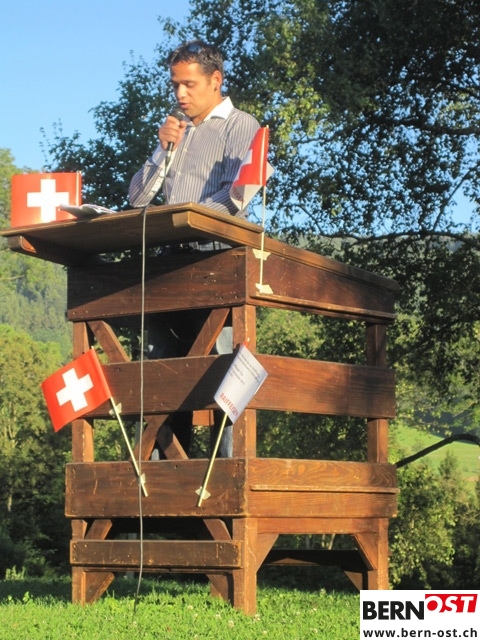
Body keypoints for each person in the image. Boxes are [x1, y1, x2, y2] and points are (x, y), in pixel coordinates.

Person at [129, 39, 261, 458]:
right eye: (175, 85)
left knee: (223, 371)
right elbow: (138, 198)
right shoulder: (176, 130)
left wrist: (187, 218)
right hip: (170, 264)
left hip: (217, 259)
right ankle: (164, 477)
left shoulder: (240, 124)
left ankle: (226, 476)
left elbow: (237, 195)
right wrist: (161, 148)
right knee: (165, 373)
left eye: (189, 84)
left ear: (215, 80)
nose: (180, 94)